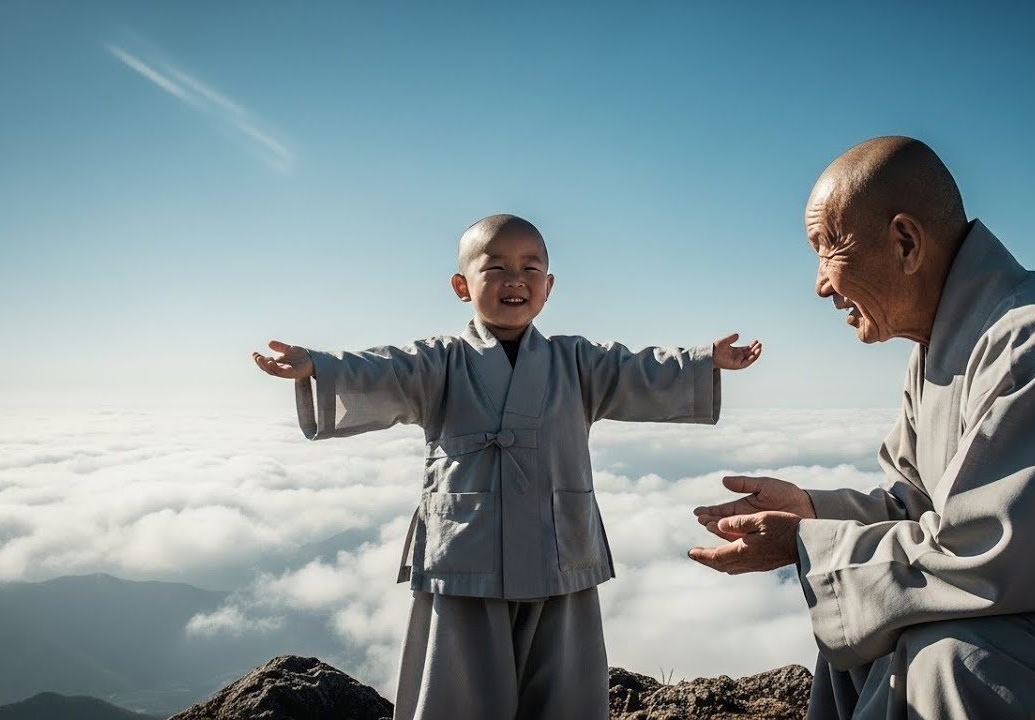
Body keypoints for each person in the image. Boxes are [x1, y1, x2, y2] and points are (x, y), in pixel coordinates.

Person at [688, 137, 1035, 719]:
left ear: (906, 242)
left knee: (954, 662)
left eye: (827, 247)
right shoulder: (938, 351)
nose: (819, 285)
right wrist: (811, 509)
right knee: (857, 634)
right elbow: (921, 508)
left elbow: (993, 558)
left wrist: (807, 546)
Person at [253, 213, 761, 720]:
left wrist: (699, 361)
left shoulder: (577, 361)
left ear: (549, 285)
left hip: (558, 550)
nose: (514, 279)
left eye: (530, 267)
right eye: (494, 268)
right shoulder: (438, 362)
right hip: (466, 556)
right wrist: (319, 366)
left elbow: (638, 369)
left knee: (565, 694)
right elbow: (381, 368)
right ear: (461, 285)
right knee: (459, 695)